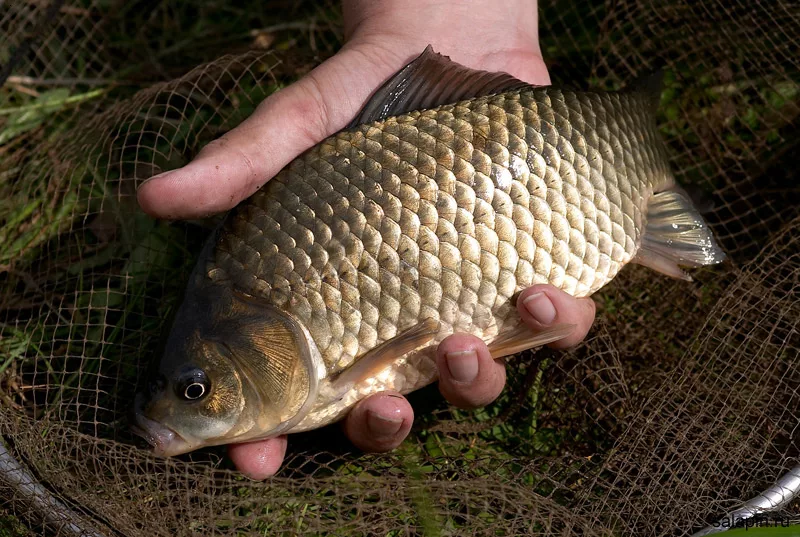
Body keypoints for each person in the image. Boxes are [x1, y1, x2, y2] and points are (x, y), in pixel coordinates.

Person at [137, 0, 597, 479]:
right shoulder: (239, 267)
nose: (182, 404)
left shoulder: (244, 266)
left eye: (197, 389)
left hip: (542, 146)